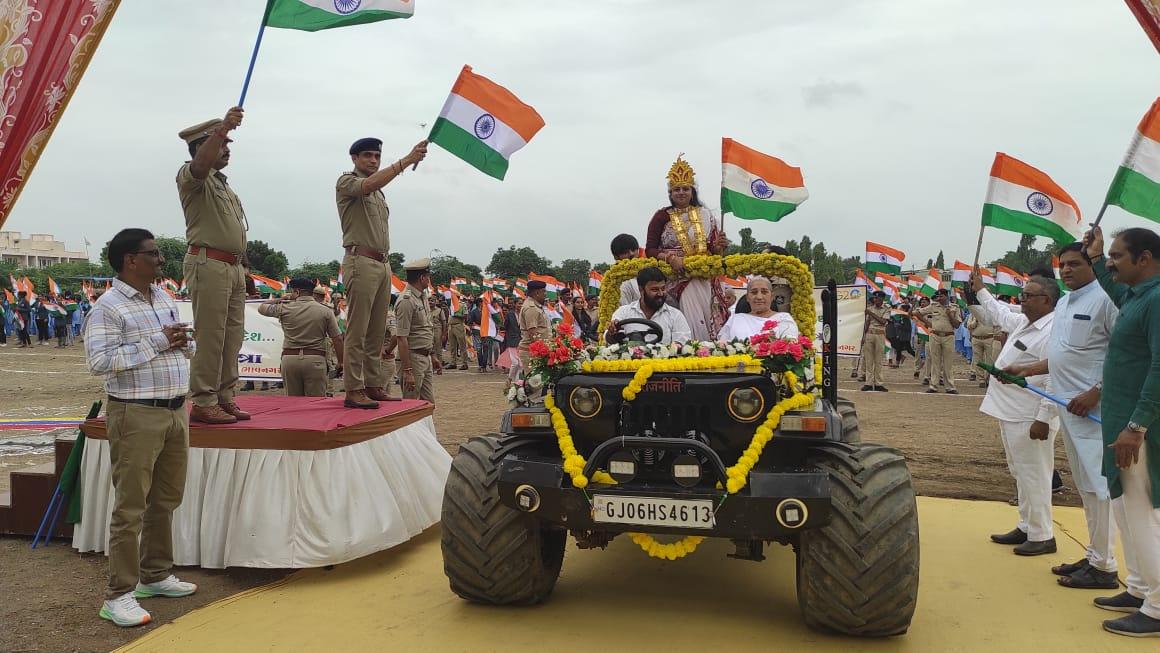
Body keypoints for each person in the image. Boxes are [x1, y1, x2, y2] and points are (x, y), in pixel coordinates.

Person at [83, 229, 197, 627]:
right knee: (131, 506)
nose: (161, 260)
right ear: (130, 260)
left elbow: (174, 342)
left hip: (174, 409)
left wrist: (183, 343)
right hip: (136, 413)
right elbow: (100, 362)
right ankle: (118, 594)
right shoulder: (109, 307)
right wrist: (159, 343)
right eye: (154, 254)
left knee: (165, 499)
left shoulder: (163, 297)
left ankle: (156, 574)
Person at [1002, 242, 1119, 590]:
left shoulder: (1107, 300)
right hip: (1068, 406)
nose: (1066, 270)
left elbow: (1121, 354)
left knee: (1100, 488)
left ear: (1093, 264)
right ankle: (1095, 555)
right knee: (1085, 486)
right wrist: (1028, 368)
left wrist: (1097, 391)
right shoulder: (1067, 301)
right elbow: (1063, 356)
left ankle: (1106, 566)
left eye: (1074, 264)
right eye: (1062, 264)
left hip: (1092, 407)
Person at [1084, 225, 1160, 637]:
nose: (1111, 262)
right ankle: (1141, 587)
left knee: (1143, 515)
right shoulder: (1138, 296)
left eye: (1116, 256)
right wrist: (1095, 259)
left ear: (1144, 259)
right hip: (1124, 426)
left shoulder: (1158, 299)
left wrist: (1137, 425)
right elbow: (1117, 294)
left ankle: (1158, 606)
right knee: (1127, 512)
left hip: (1139, 431)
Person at [969, 269, 1059, 556]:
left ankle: (1043, 534)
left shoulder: (1053, 330)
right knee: (1020, 471)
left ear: (1047, 300)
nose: (1023, 301)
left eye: (1029, 296)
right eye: (1022, 295)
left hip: (1030, 414)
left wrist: (1044, 418)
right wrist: (979, 290)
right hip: (1010, 410)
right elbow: (997, 313)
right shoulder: (1024, 321)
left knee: (1036, 474)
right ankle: (1026, 525)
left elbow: (1056, 377)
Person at [336, 136, 428, 408]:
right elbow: (367, 184)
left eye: (376, 156)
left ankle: (373, 384)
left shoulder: (379, 193)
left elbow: (374, 185)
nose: (373, 161)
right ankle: (354, 388)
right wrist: (406, 161)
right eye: (367, 156)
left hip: (381, 263)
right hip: (360, 260)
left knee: (376, 331)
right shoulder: (347, 182)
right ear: (354, 158)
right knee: (358, 329)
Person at [177, 109, 250, 425]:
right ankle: (204, 400)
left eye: (228, 142)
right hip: (209, 264)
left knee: (232, 336)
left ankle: (224, 396)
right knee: (211, 336)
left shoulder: (224, 186)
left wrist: (243, 267)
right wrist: (221, 128)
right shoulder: (192, 176)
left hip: (232, 268)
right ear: (201, 147)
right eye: (221, 143)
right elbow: (200, 164)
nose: (227, 147)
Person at [645, 156, 729, 339]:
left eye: (685, 189)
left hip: (703, 276)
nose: (681, 192)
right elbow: (649, 249)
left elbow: (715, 252)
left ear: (692, 191)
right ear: (670, 193)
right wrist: (671, 258)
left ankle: (710, 351)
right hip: (677, 277)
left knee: (708, 317)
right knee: (686, 321)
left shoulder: (706, 214)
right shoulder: (661, 216)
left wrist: (718, 246)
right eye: (676, 189)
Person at [258, 278, 344, 397]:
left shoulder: (284, 307)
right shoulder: (325, 310)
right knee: (315, 403)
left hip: (290, 359)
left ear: (297, 292)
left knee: (293, 405)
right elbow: (338, 338)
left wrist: (283, 298)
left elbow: (261, 307)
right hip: (315, 360)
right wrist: (341, 362)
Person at [605, 266, 692, 345]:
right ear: (641, 289)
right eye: (655, 290)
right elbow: (610, 341)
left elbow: (683, 344)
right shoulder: (623, 312)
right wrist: (612, 332)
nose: (660, 294)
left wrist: (676, 346)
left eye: (663, 288)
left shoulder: (675, 315)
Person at [393, 259, 437, 403]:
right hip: (413, 358)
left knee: (428, 404)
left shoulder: (422, 296)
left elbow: (425, 329)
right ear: (422, 278)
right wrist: (407, 371)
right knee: (410, 404)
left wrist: (433, 355)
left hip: (425, 356)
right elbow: (401, 337)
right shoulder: (407, 300)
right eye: (428, 277)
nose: (429, 280)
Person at [718, 276, 800, 341]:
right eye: (754, 292)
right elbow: (722, 347)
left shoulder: (784, 318)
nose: (759, 297)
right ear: (747, 297)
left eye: (764, 292)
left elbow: (789, 347)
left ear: (772, 297)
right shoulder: (735, 319)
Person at [914, 288, 962, 394]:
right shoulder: (933, 306)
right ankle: (933, 385)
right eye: (938, 297)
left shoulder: (954, 307)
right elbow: (918, 313)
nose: (939, 298)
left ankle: (950, 386)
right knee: (935, 361)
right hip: (935, 335)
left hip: (948, 336)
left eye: (941, 296)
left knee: (947, 362)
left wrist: (949, 314)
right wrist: (928, 323)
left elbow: (957, 325)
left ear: (947, 296)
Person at [859, 290, 891, 392]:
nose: (875, 300)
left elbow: (883, 322)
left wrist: (871, 314)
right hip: (869, 334)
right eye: (874, 298)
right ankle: (868, 383)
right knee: (869, 360)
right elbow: (867, 323)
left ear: (882, 299)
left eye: (877, 298)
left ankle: (878, 383)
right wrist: (863, 336)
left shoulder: (886, 308)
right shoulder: (870, 308)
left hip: (880, 335)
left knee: (878, 360)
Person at [517, 280, 551, 370]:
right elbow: (533, 334)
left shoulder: (536, 306)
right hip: (532, 353)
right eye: (544, 291)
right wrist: (542, 352)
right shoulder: (531, 308)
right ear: (537, 293)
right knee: (534, 382)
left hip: (536, 351)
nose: (545, 294)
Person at [967, 310, 999, 388]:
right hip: (976, 339)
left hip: (989, 338)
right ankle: (981, 379)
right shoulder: (974, 313)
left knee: (989, 360)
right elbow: (969, 326)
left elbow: (997, 326)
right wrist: (976, 321)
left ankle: (987, 378)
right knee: (978, 360)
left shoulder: (992, 312)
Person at [447, 295, 469, 370]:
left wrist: (457, 315)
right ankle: (453, 362)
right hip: (450, 325)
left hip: (458, 325)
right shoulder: (450, 304)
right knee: (452, 346)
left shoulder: (462, 304)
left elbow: (465, 315)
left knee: (462, 345)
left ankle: (464, 363)